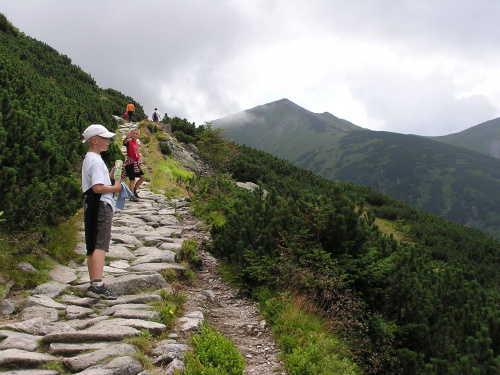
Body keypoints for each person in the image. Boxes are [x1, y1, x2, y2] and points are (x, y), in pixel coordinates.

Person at [81, 124, 123, 299]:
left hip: (91, 204)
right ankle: (98, 285)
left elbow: (95, 184)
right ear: (94, 140)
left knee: (92, 244)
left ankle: (93, 283)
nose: (108, 141)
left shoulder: (89, 158)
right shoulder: (97, 161)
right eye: (105, 138)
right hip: (101, 205)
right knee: (100, 244)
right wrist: (116, 187)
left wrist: (110, 176)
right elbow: (98, 188)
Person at [123, 128, 146, 200]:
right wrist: (126, 138)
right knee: (132, 180)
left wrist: (140, 160)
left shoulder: (137, 144)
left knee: (142, 177)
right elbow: (124, 143)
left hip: (136, 164)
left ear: (138, 136)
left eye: (136, 134)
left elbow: (137, 153)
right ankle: (131, 195)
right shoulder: (129, 142)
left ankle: (134, 190)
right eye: (133, 133)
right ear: (130, 134)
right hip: (130, 164)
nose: (135, 135)